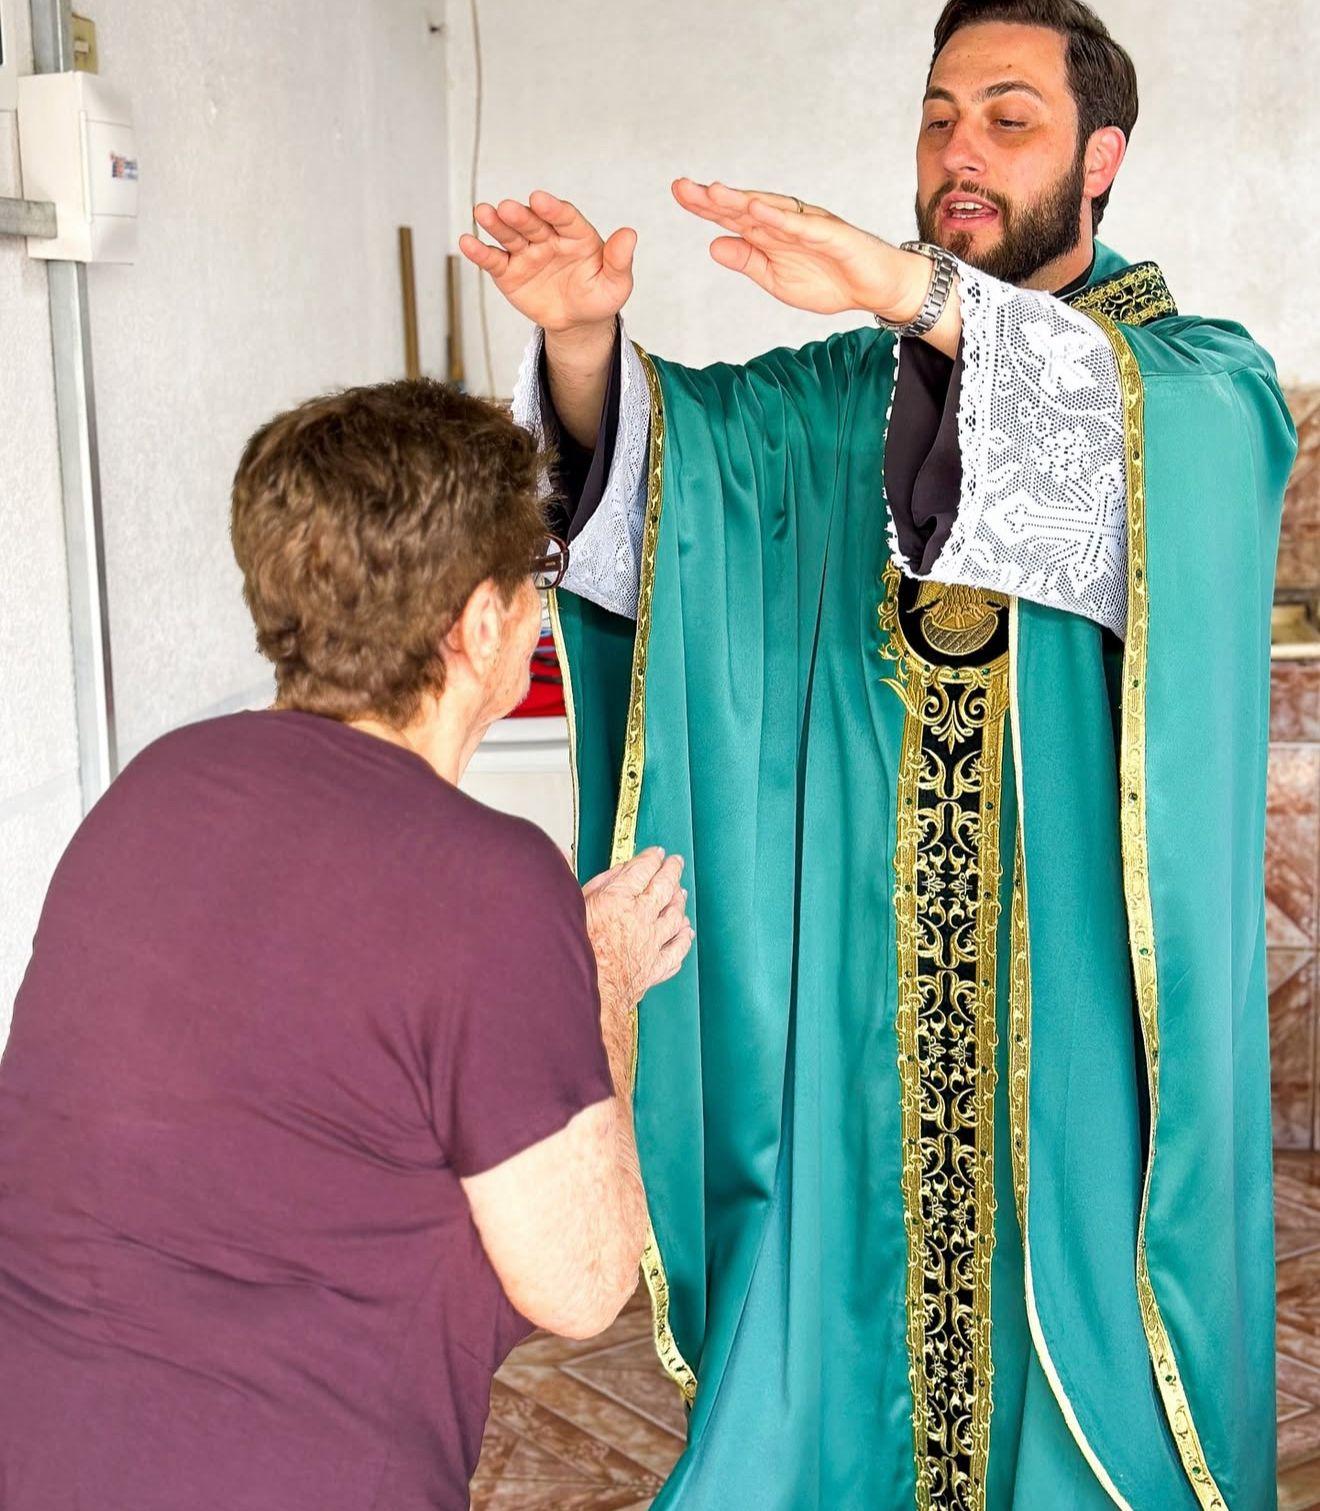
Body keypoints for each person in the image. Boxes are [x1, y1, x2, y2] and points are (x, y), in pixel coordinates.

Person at [459, 0, 1298, 1506]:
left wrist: (919, 291)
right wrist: (584, 344)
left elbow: (1145, 451)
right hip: (861, 1012)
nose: (958, 149)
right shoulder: (841, 395)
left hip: (1086, 1028)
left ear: (1102, 158)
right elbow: (681, 490)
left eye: (1008, 117)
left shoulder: (1195, 382)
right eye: (938, 115)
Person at [0, 378, 694, 1510]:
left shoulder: (153, 787)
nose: (535, 611)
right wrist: (600, 978)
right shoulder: (488, 879)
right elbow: (582, 1281)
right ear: (479, 625)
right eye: (535, 581)